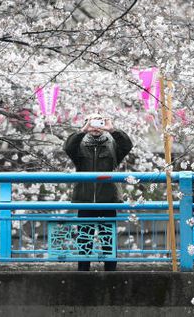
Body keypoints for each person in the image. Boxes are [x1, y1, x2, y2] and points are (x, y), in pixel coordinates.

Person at [63, 113, 133, 271]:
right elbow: (68, 147)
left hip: (107, 200)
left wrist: (113, 130)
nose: (96, 126)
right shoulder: (80, 146)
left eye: (99, 121)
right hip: (84, 199)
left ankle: (111, 273)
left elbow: (127, 145)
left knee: (108, 240)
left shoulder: (112, 145)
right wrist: (83, 130)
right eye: (92, 121)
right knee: (84, 240)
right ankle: (83, 274)